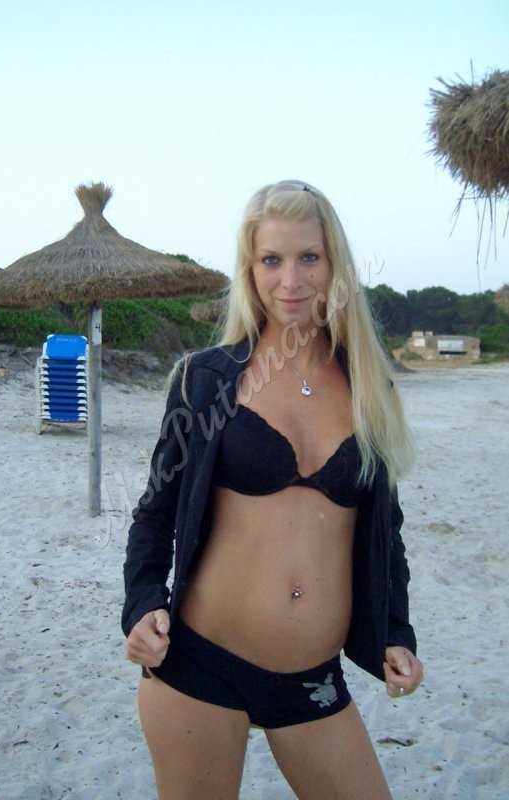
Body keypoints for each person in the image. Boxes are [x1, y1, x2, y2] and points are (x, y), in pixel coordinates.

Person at [122, 179, 424, 799]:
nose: (291, 280)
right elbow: (154, 514)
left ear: (334, 264)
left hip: (313, 681)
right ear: (250, 269)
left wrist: (396, 632)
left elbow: (384, 533)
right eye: (271, 260)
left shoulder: (371, 389)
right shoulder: (205, 380)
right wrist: (142, 602)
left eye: (309, 257)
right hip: (200, 664)